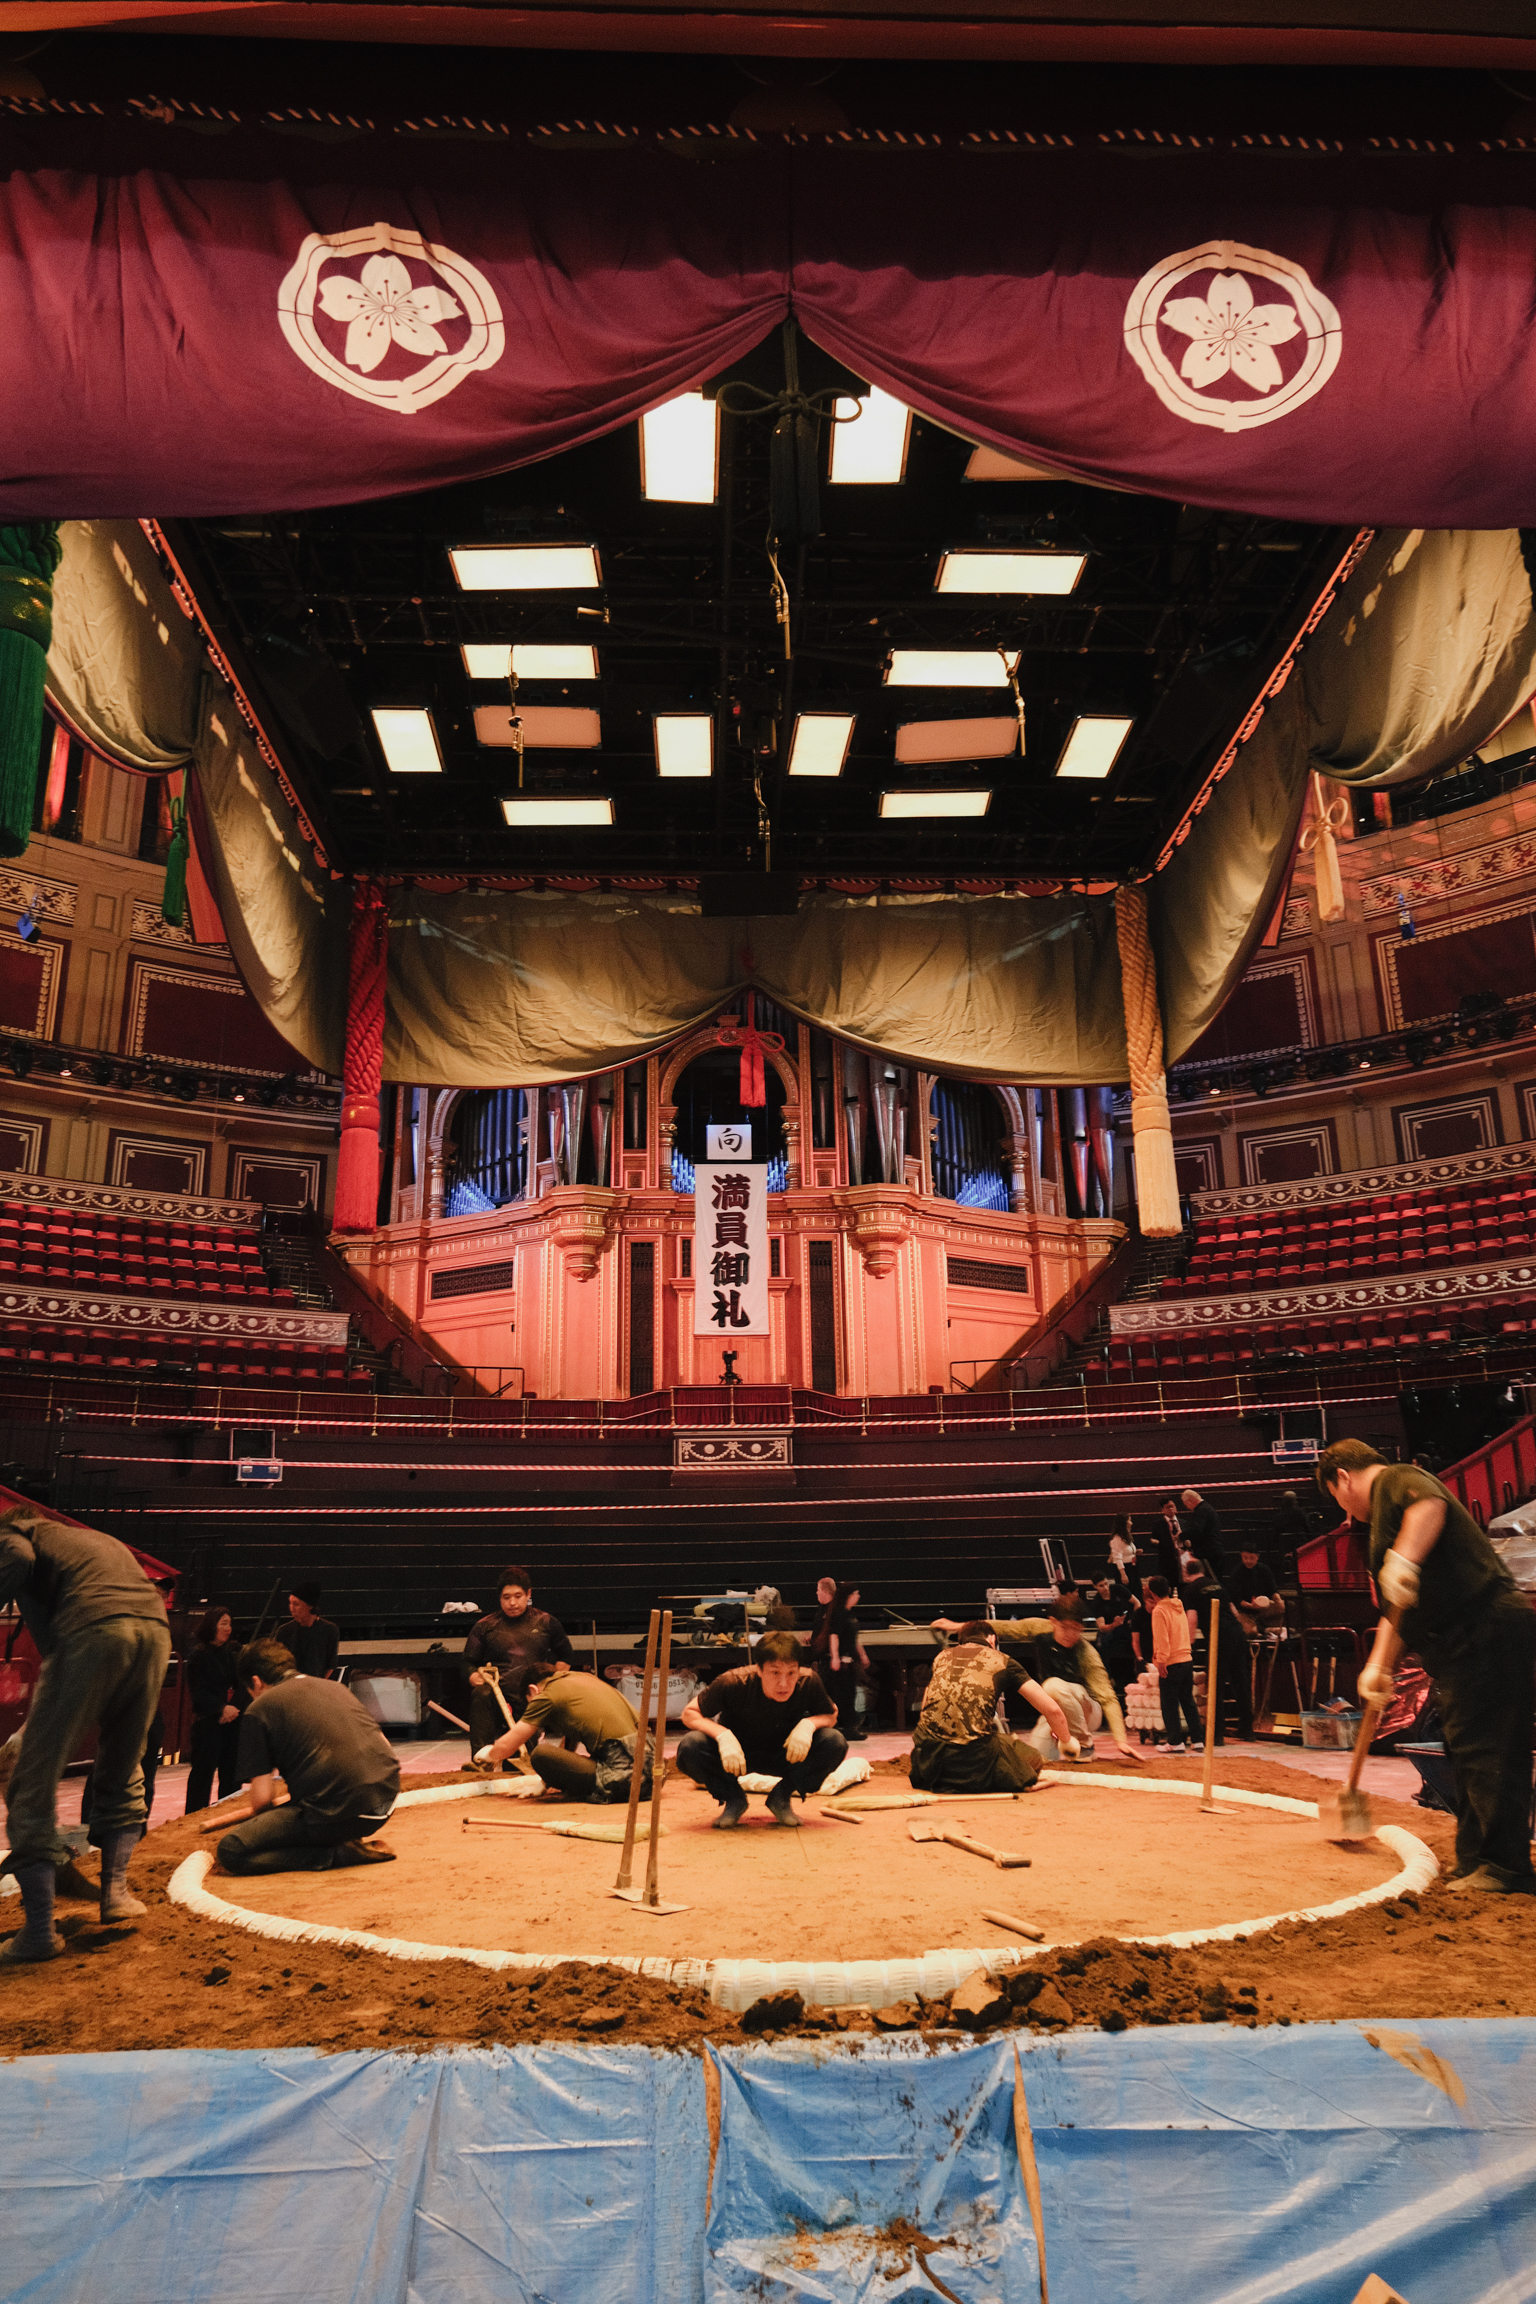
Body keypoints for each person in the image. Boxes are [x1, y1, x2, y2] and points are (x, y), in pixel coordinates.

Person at [1316, 1439, 1536, 1896]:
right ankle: (1477, 1858)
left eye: (1338, 1498)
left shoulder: (1396, 1479)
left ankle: (1507, 1867)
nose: (1346, 1512)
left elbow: (1428, 1503)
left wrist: (1405, 1558)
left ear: (1343, 1477)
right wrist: (1378, 1667)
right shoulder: (1384, 1523)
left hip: (1484, 1627)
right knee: (1466, 1751)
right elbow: (1399, 1606)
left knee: (1488, 1750)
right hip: (1458, 1643)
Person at [0, 1504, 171, 1960]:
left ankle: (39, 1932)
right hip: (155, 1631)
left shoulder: (16, 1534)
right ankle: (115, 1895)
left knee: (32, 1779)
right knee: (122, 1761)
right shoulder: (89, 1539)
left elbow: (16, 1559)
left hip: (95, 1628)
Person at [215, 1639, 399, 1876]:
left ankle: (334, 1855)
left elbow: (261, 1801)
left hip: (337, 1813)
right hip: (386, 1800)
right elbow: (383, 1746)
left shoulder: (259, 1709)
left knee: (232, 1849)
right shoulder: (335, 1688)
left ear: (256, 1682)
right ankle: (338, 1838)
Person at [931, 1594, 1145, 1766]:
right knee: (1037, 1759)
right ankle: (1067, 1744)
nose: (1071, 1634)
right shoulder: (1041, 1628)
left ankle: (1084, 1744)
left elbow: (1107, 1699)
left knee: (1053, 1686)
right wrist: (959, 1626)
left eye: (1077, 1629)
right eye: (1065, 1628)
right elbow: (1004, 1627)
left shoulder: (1087, 1654)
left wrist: (1121, 1740)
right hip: (1057, 1711)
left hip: (1087, 1710)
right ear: (1053, 1622)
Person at [677, 1631, 845, 1827]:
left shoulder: (809, 1681)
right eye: (775, 1672)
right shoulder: (733, 1682)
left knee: (834, 1741)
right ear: (759, 1669)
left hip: (786, 1754)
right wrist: (723, 1735)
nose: (784, 1683)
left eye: (791, 1672)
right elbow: (689, 1713)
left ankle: (781, 1797)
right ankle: (734, 1799)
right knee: (690, 1746)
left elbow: (831, 1714)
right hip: (736, 1756)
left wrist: (809, 1725)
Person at [909, 1621, 1076, 1793]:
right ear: (992, 1639)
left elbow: (925, 1708)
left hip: (926, 1763)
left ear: (961, 1641)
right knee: (1032, 1757)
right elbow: (1052, 1710)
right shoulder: (1002, 1661)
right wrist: (1067, 1741)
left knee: (1001, 1741)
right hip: (972, 1764)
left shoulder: (941, 1657)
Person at [483, 1668, 651, 1802]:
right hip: (654, 1774)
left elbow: (506, 1747)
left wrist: (489, 1755)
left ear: (533, 1690)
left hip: (624, 1780)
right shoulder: (583, 1679)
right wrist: (547, 1781)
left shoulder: (547, 1695)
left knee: (541, 1754)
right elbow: (572, 1733)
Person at [462, 1566, 573, 1766]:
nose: (512, 1603)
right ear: (499, 1598)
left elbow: (566, 1654)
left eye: (518, 1596)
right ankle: (480, 1761)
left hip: (532, 1700)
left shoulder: (547, 1622)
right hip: (497, 1698)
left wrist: (552, 1683)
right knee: (481, 1694)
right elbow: (468, 1662)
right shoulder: (485, 1626)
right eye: (506, 1597)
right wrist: (472, 1676)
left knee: (516, 1762)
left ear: (528, 1594)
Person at [184, 1608, 246, 1814]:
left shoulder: (235, 1652)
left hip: (233, 1721)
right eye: (223, 1623)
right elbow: (198, 1692)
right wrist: (221, 1709)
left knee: (231, 1776)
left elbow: (242, 1685)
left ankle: (228, 1817)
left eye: (230, 1623)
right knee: (202, 1776)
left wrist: (233, 1709)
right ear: (211, 1626)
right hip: (209, 1722)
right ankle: (193, 1818)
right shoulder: (198, 1656)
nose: (228, 1629)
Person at [808, 1580, 871, 1739]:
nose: (858, 1596)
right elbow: (834, 1635)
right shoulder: (839, 1613)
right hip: (839, 1662)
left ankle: (849, 1727)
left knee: (848, 1695)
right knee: (840, 1695)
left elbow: (854, 1638)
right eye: (856, 1594)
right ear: (849, 1596)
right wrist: (835, 1657)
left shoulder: (849, 1614)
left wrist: (862, 1654)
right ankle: (843, 1727)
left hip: (848, 1661)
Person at [1147, 1575, 1203, 1751]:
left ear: (1152, 1593)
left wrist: (1161, 1661)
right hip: (1187, 1659)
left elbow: (1162, 1638)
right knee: (1188, 1701)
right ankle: (1198, 1739)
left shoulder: (1159, 1611)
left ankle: (1175, 1741)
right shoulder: (1179, 1606)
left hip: (1171, 1662)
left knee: (1169, 1703)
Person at [273, 1583, 339, 1679]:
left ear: (310, 1606)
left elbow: (330, 1664)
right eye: (290, 1603)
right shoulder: (284, 1631)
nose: (291, 1608)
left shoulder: (330, 1630)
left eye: (296, 1604)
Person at [1090, 1576, 1137, 1707]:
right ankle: (1108, 1677)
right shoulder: (1097, 1602)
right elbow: (1102, 1627)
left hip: (1126, 1624)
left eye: (1106, 1584)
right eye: (1101, 1585)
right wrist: (1115, 1624)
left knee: (1136, 1637)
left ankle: (1137, 1668)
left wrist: (1133, 1618)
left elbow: (1137, 1603)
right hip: (1112, 1627)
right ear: (1095, 1587)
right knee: (1101, 1642)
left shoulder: (1118, 1589)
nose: (1105, 1588)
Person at [1226, 1546, 1286, 1634]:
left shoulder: (1264, 1569)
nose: (1248, 1561)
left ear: (1257, 1557)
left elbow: (1272, 1590)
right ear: (1241, 1556)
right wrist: (1250, 1605)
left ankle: (1271, 1628)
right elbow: (1236, 1599)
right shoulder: (1237, 1573)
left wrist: (1278, 1601)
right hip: (1244, 1610)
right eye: (1245, 1558)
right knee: (1252, 1632)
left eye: (1251, 1558)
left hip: (1263, 1607)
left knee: (1287, 1606)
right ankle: (1265, 1630)